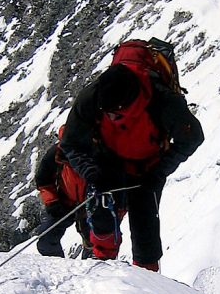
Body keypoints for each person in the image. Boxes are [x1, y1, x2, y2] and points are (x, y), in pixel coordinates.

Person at [59, 61, 204, 271]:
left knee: (145, 225)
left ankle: (147, 280)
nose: (108, 117)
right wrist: (88, 171)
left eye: (114, 115)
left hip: (149, 166)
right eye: (105, 113)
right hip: (107, 160)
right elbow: (70, 144)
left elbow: (192, 138)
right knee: (101, 212)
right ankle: (102, 268)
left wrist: (158, 171)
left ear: (130, 104)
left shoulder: (162, 101)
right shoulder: (92, 98)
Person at [34, 138, 93, 259]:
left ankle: (91, 268)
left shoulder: (98, 147)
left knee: (95, 243)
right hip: (64, 203)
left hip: (91, 204)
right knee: (46, 238)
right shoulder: (56, 153)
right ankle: (59, 266)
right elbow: (43, 180)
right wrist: (52, 202)